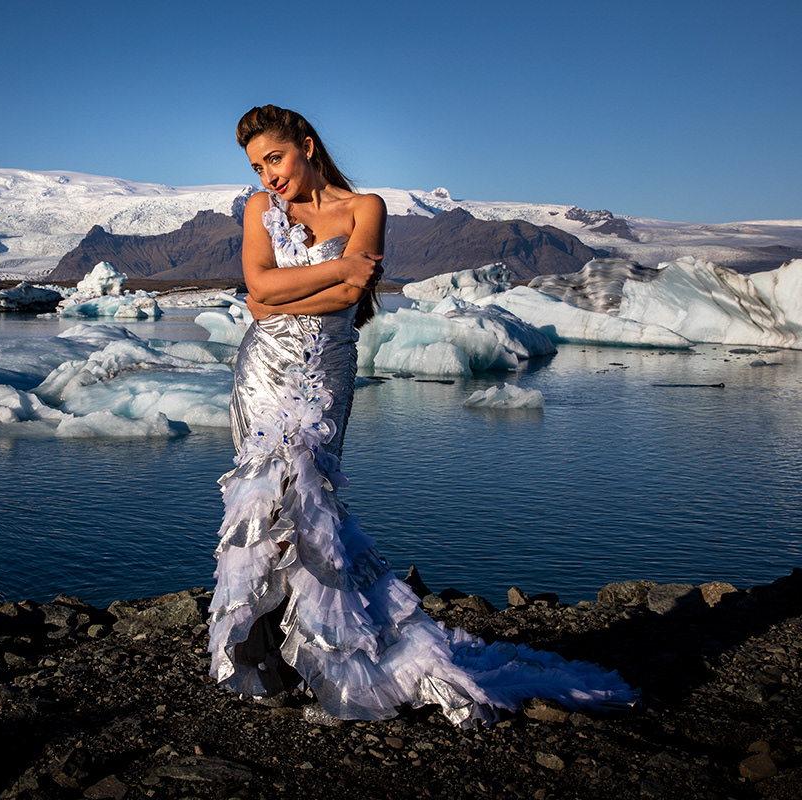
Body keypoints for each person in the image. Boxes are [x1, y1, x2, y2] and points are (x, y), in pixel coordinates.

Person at [207, 104, 636, 727]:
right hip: (263, 368)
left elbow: (351, 298)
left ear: (306, 145)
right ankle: (269, 654)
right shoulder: (258, 210)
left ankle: (342, 656)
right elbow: (258, 289)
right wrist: (334, 270)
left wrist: (299, 289)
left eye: (275, 158)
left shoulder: (366, 208)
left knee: (313, 504)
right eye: (256, 165)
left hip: (325, 365)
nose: (268, 175)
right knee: (263, 502)